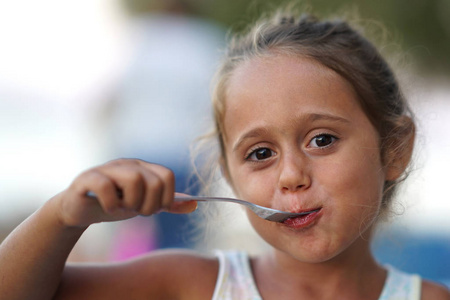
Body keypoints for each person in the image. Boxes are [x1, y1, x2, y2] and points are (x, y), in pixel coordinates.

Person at [0, 8, 449, 300]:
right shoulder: (187, 286)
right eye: (259, 153)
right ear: (230, 177)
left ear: (394, 150)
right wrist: (61, 217)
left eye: (322, 140)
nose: (291, 174)